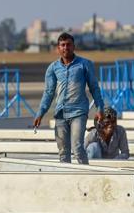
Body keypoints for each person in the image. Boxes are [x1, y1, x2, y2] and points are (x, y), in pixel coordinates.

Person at [33, 32, 104, 164]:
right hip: (60, 114)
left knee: (77, 148)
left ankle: (86, 175)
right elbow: (48, 92)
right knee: (63, 151)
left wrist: (100, 108)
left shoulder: (84, 64)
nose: (66, 48)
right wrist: (40, 113)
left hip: (78, 112)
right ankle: (66, 180)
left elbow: (94, 88)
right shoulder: (53, 69)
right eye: (63, 45)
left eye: (68, 45)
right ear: (58, 48)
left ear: (74, 46)